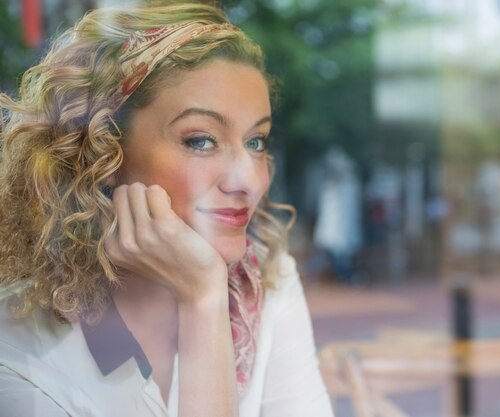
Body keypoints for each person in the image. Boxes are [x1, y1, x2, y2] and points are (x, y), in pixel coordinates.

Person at [0, 2, 334, 416]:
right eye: (200, 140)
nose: (249, 180)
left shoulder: (266, 281)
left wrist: (206, 297)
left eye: (256, 142)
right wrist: (201, 301)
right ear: (102, 153)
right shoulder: (15, 346)